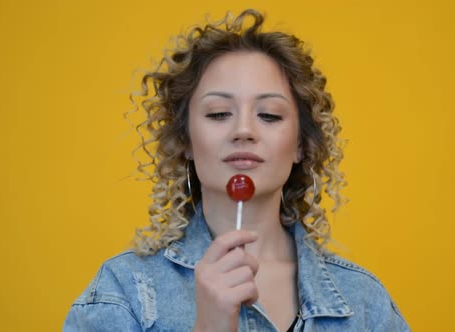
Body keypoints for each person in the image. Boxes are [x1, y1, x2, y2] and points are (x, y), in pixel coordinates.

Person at [64, 9, 410, 332]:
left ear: (301, 145)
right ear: (185, 140)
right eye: (218, 114)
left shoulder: (365, 304)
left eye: (269, 115)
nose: (243, 131)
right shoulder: (122, 293)